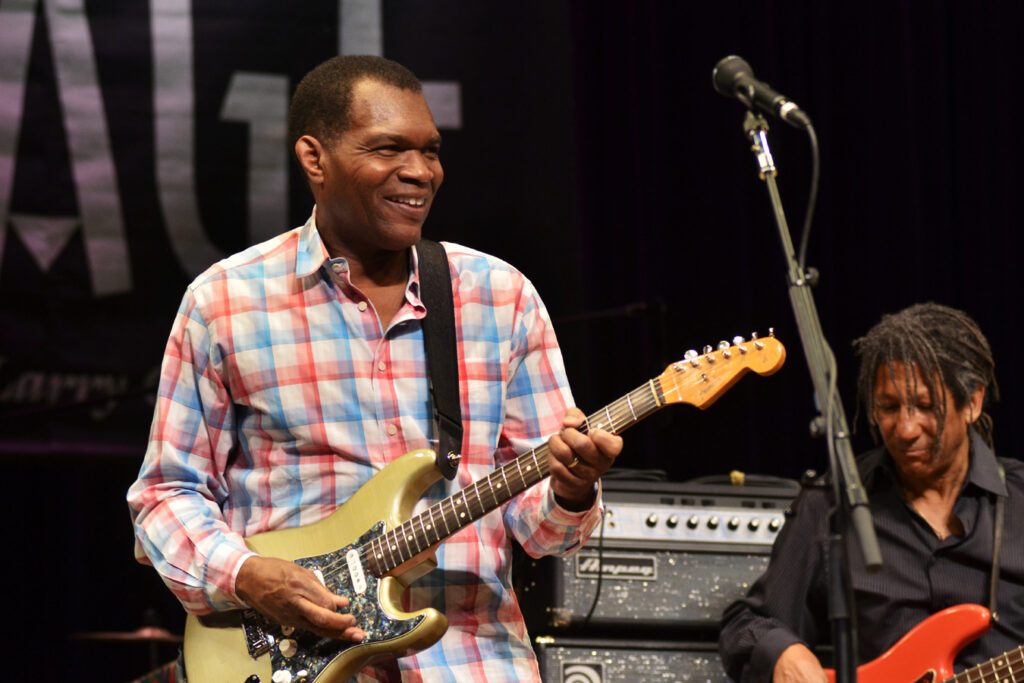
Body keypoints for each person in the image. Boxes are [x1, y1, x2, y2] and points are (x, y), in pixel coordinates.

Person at [127, 55, 622, 682]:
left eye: (431, 151)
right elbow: (164, 497)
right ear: (315, 159)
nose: (419, 172)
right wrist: (247, 576)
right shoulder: (224, 302)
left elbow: (544, 533)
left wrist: (572, 489)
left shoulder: (501, 297)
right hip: (290, 660)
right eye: (389, 149)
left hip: (472, 662)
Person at [718, 302, 1024, 682]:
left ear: (972, 403)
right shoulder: (832, 503)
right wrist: (783, 653)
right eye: (888, 407)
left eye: (926, 406)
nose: (906, 428)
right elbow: (748, 622)